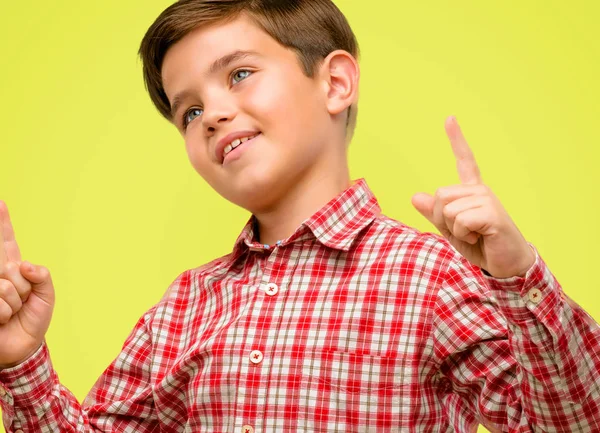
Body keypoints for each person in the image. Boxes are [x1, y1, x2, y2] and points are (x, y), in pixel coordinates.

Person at [0, 0, 599, 431]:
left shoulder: (430, 276)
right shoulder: (183, 307)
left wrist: (518, 276)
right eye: (188, 112)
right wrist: (20, 359)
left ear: (335, 82)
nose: (211, 115)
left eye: (239, 74)